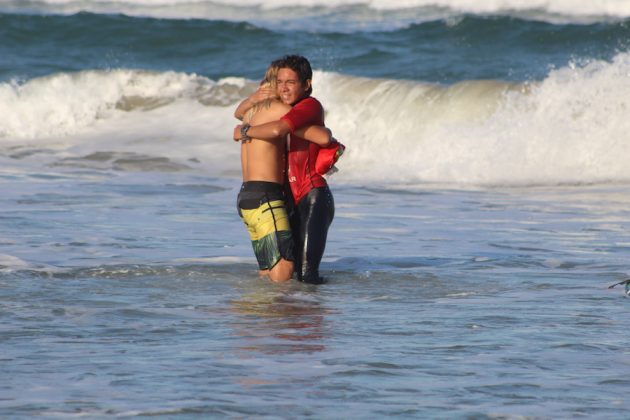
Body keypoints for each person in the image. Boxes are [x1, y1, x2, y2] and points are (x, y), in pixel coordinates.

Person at [234, 55, 343, 284]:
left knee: (279, 272)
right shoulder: (277, 111)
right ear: (272, 85)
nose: (283, 88)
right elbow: (322, 136)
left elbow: (240, 113)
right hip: (269, 196)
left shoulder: (250, 114)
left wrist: (245, 128)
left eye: (289, 83)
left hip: (251, 197)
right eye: (280, 82)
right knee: (286, 272)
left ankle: (271, 316)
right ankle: (294, 314)